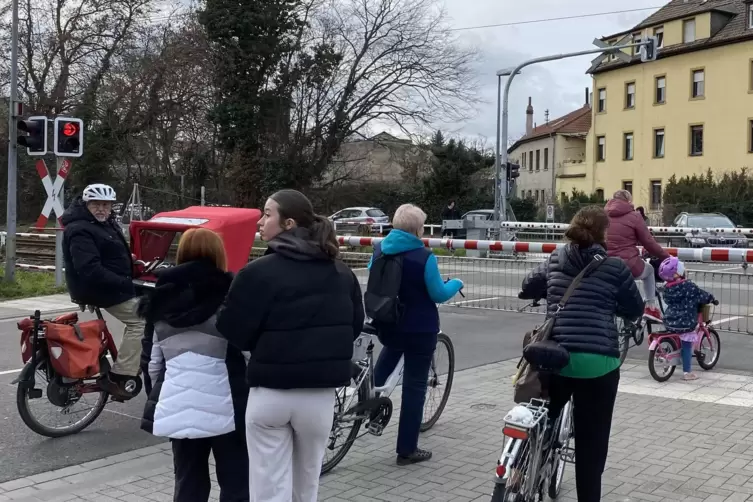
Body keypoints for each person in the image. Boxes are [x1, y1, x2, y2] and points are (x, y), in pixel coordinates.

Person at [216, 189, 364, 502]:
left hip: (270, 393)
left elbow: (233, 329)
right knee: (306, 484)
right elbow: (352, 327)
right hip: (320, 398)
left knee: (268, 487)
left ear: (288, 223)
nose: (260, 219)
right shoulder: (342, 273)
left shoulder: (256, 273)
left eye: (267, 213)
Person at [520, 205, 644, 502]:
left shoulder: (554, 258)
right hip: (598, 365)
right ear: (605, 234)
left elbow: (527, 286)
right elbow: (635, 308)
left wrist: (543, 292)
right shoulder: (615, 268)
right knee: (591, 444)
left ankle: (524, 464)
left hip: (554, 358)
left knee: (541, 417)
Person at [138, 228, 249, 502]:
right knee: (237, 480)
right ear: (218, 254)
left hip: (178, 401)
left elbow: (152, 363)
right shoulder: (231, 296)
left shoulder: (159, 300)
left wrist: (161, 394)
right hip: (229, 403)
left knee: (188, 481)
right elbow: (248, 353)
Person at [368, 204, 464, 465]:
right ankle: (407, 449)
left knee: (388, 357)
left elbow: (373, 277)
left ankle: (368, 405)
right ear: (417, 229)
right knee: (414, 387)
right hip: (419, 328)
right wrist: (456, 283)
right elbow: (438, 294)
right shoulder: (423, 256)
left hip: (387, 323)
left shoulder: (379, 250)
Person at [62, 184, 144, 399]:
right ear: (86, 204)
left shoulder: (103, 224)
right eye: (96, 204)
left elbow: (107, 252)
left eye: (105, 205)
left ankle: (127, 360)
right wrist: (126, 283)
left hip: (107, 286)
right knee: (142, 320)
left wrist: (130, 261)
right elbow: (90, 269)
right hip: (98, 289)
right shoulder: (80, 228)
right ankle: (120, 375)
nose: (101, 209)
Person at [605, 190, 669, 322]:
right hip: (628, 264)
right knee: (650, 270)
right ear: (628, 201)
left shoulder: (602, 215)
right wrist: (666, 257)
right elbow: (649, 242)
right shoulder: (634, 216)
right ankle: (651, 307)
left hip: (605, 264)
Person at [658, 256, 716, 381]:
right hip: (686, 321)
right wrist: (711, 298)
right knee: (687, 344)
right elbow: (701, 295)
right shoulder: (688, 286)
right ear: (677, 273)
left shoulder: (667, 288)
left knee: (677, 335)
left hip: (670, 319)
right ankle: (687, 372)